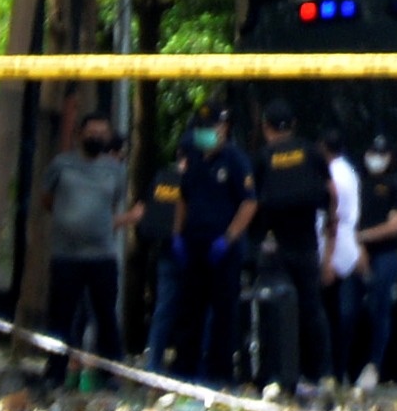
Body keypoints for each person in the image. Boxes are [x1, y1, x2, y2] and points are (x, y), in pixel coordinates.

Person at [143, 105, 254, 385]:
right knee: (189, 310)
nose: (208, 133)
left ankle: (221, 374)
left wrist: (228, 238)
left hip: (222, 248)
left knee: (223, 313)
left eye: (213, 127)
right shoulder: (193, 157)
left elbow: (250, 203)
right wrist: (177, 235)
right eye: (203, 128)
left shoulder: (236, 160)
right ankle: (184, 370)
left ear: (224, 128)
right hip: (193, 244)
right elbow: (183, 197)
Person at [34, 108, 133, 387]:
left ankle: (110, 372)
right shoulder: (61, 165)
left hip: (102, 255)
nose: (96, 137)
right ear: (79, 134)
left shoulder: (115, 170)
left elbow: (112, 205)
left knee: (106, 316)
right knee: (61, 317)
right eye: (92, 132)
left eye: (102, 134)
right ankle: (55, 373)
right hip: (66, 255)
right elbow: (46, 200)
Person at [248, 102, 334, 398]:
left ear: (266, 128)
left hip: (275, 246)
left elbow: (252, 202)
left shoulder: (262, 158)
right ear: (293, 126)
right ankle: (323, 375)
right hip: (307, 243)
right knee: (311, 310)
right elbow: (331, 193)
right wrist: (330, 228)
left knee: (275, 308)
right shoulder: (311, 152)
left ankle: (276, 377)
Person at [347, 131, 397, 390]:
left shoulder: (394, 184)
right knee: (346, 311)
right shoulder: (355, 183)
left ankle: (374, 365)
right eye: (373, 154)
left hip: (384, 254)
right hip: (353, 253)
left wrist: (363, 236)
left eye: (382, 155)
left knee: (379, 308)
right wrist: (356, 243)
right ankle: (342, 368)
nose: (377, 160)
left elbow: (395, 225)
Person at [322, 133, 366, 385]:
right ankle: (343, 370)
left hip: (337, 245)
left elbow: (333, 218)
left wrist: (327, 259)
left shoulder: (334, 174)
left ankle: (335, 371)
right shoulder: (349, 171)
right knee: (346, 315)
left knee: (333, 316)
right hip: (349, 244)